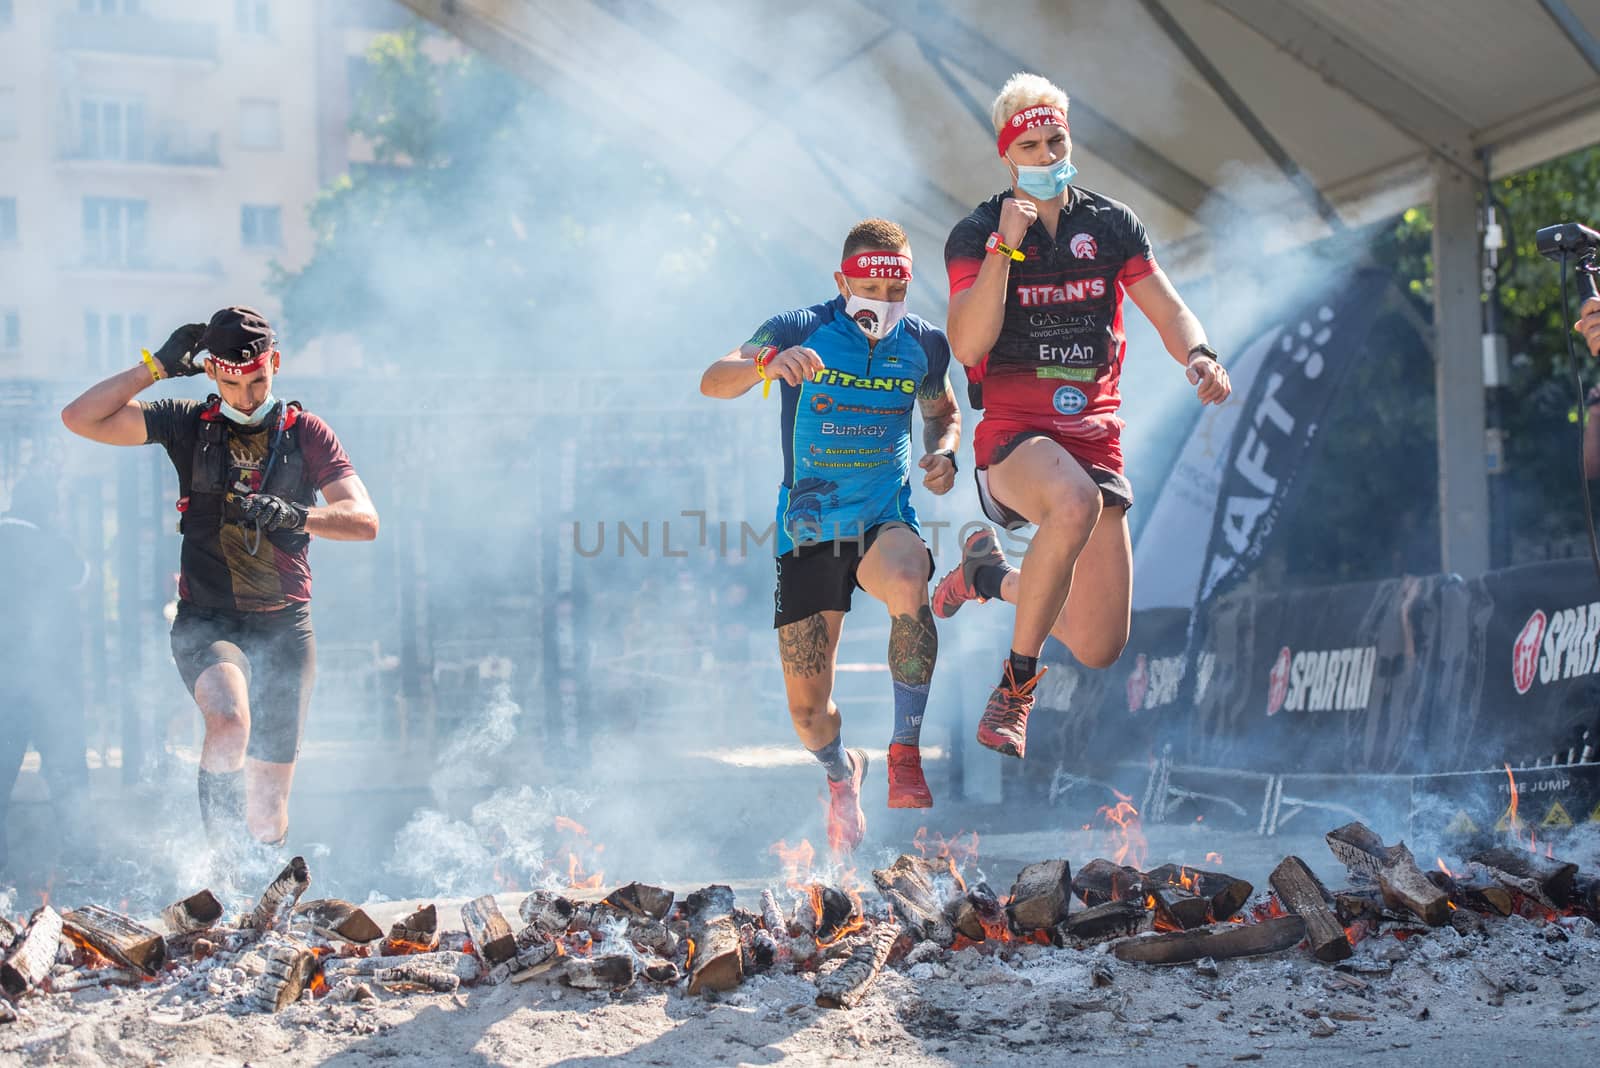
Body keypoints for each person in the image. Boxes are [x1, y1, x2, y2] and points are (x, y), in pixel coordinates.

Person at [934, 73, 1230, 759]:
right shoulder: (977, 231)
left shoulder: (1112, 223)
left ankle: (985, 577)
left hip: (1095, 435)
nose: (1044, 155)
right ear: (1008, 155)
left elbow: (1169, 307)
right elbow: (969, 344)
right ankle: (1015, 688)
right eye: (1029, 145)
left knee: (1099, 644)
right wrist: (1004, 248)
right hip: (1014, 436)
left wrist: (1200, 355)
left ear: (1070, 141)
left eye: (1055, 140)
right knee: (1072, 502)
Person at [60, 307, 379, 862]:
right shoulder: (187, 423)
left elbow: (365, 521)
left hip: (285, 626)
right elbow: (78, 418)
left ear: (274, 364)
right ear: (213, 374)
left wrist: (295, 515)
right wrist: (154, 368)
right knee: (229, 722)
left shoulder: (306, 432)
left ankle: (267, 899)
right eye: (233, 382)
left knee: (266, 812)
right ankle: (221, 875)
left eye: (257, 380)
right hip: (209, 620)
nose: (248, 396)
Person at [699, 218, 961, 853]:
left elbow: (942, 411)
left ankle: (905, 748)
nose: (884, 301)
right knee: (807, 714)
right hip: (811, 528)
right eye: (869, 286)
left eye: (896, 290)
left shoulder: (924, 344)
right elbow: (713, 378)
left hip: (882, 516)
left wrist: (945, 452)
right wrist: (768, 361)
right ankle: (842, 774)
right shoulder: (800, 326)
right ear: (843, 281)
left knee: (907, 580)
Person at [0, 472, 91, 876]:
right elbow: (82, 579)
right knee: (67, 772)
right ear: (49, 508)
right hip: (51, 684)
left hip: (5, 684)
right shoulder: (54, 544)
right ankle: (82, 863)